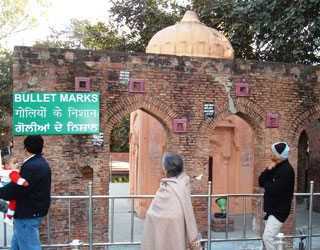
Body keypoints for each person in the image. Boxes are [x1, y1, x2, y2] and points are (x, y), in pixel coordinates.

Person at [141, 152, 201, 250]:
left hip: (169, 223)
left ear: (166, 170)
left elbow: (152, 214)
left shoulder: (166, 186)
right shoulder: (184, 181)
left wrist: (151, 215)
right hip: (178, 224)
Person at [0, 135, 51, 250]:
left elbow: (18, 188)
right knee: (17, 246)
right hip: (30, 211)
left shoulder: (33, 166)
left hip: (28, 212)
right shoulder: (39, 163)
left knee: (29, 246)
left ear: (25, 149)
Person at [259, 142, 295, 250]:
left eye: (273, 152)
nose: (271, 154)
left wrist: (267, 184)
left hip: (279, 210)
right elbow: (261, 182)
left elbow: (276, 189)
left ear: (278, 155)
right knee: (265, 241)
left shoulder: (287, 171)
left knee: (267, 237)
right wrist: (268, 170)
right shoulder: (274, 166)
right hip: (270, 209)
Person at [0, 154, 29, 226]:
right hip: (10, 189)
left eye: (17, 162)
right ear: (7, 165)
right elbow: (16, 179)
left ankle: (8, 218)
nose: (17, 164)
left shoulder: (3, 171)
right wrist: (24, 182)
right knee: (13, 204)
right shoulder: (12, 172)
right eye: (14, 163)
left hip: (3, 188)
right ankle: (9, 218)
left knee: (11, 204)